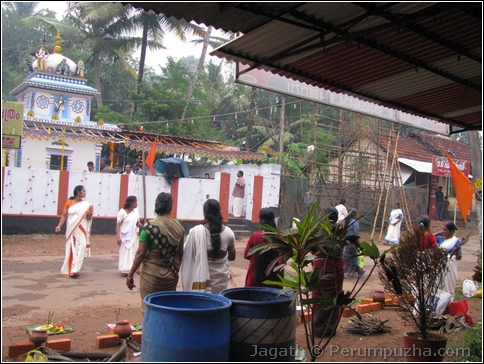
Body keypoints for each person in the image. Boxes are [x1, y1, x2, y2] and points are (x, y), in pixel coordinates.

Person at [126, 192, 185, 311]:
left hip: (151, 277)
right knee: (168, 309)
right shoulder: (179, 226)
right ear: (171, 207)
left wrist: (130, 274)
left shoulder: (149, 227)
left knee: (149, 308)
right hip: (170, 277)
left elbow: (140, 253)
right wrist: (175, 270)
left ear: (156, 205)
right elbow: (180, 253)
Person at [181, 199, 236, 294]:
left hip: (200, 280)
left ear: (205, 213)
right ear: (219, 212)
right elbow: (232, 257)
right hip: (221, 280)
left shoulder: (196, 233)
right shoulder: (229, 233)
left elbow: (187, 254)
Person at [311, 206, 344, 338]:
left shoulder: (318, 231)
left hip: (322, 266)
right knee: (334, 296)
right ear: (336, 218)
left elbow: (312, 250)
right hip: (337, 267)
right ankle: (330, 329)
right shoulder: (341, 232)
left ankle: (318, 329)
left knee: (319, 296)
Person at [55, 185, 93, 278]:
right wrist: (59, 226)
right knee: (71, 248)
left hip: (81, 229)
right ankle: (69, 268)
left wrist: (89, 215)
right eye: (83, 191)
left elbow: (89, 218)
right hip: (71, 229)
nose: (85, 193)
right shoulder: (69, 203)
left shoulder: (87, 205)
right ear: (78, 192)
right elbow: (64, 215)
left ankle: (75, 269)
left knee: (81, 247)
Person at [244, 208, 284, 287]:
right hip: (274, 276)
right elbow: (284, 257)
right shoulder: (279, 237)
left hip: (256, 276)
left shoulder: (255, 236)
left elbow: (246, 255)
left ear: (260, 220)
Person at [116, 196, 143, 276]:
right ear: (130, 203)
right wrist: (118, 237)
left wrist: (140, 225)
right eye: (135, 202)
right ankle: (124, 269)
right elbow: (118, 225)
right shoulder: (122, 212)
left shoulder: (136, 212)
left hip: (133, 235)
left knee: (133, 252)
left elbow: (137, 223)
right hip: (124, 236)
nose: (137, 204)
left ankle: (131, 269)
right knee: (124, 253)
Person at [435, 222, 462, 296]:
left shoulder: (456, 241)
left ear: (452, 231)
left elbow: (459, 257)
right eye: (442, 229)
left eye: (445, 230)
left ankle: (449, 300)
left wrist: (457, 252)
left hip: (450, 268)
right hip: (440, 266)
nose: (443, 232)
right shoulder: (439, 239)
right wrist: (437, 233)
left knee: (449, 285)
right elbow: (428, 237)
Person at [343, 209, 364, 278]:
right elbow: (356, 233)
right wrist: (358, 243)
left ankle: (354, 271)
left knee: (350, 257)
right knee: (351, 257)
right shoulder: (354, 222)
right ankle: (357, 271)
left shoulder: (347, 221)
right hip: (352, 242)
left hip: (347, 241)